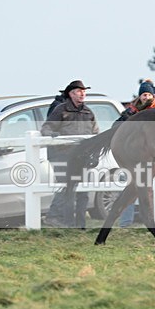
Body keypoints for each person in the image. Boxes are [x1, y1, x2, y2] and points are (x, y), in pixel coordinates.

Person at [40, 80, 99, 227]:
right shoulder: (61, 110)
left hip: (83, 157)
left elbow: (96, 134)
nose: (82, 94)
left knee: (83, 191)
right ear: (71, 94)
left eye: (84, 91)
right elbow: (46, 128)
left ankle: (80, 224)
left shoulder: (88, 112)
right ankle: (67, 222)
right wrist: (52, 135)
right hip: (63, 155)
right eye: (79, 91)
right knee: (68, 189)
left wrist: (95, 155)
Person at [115, 80, 155, 226]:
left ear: (154, 96)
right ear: (139, 97)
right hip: (136, 156)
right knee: (134, 186)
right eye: (143, 95)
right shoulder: (132, 110)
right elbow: (117, 126)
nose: (146, 97)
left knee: (148, 188)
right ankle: (126, 223)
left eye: (148, 94)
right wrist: (129, 117)